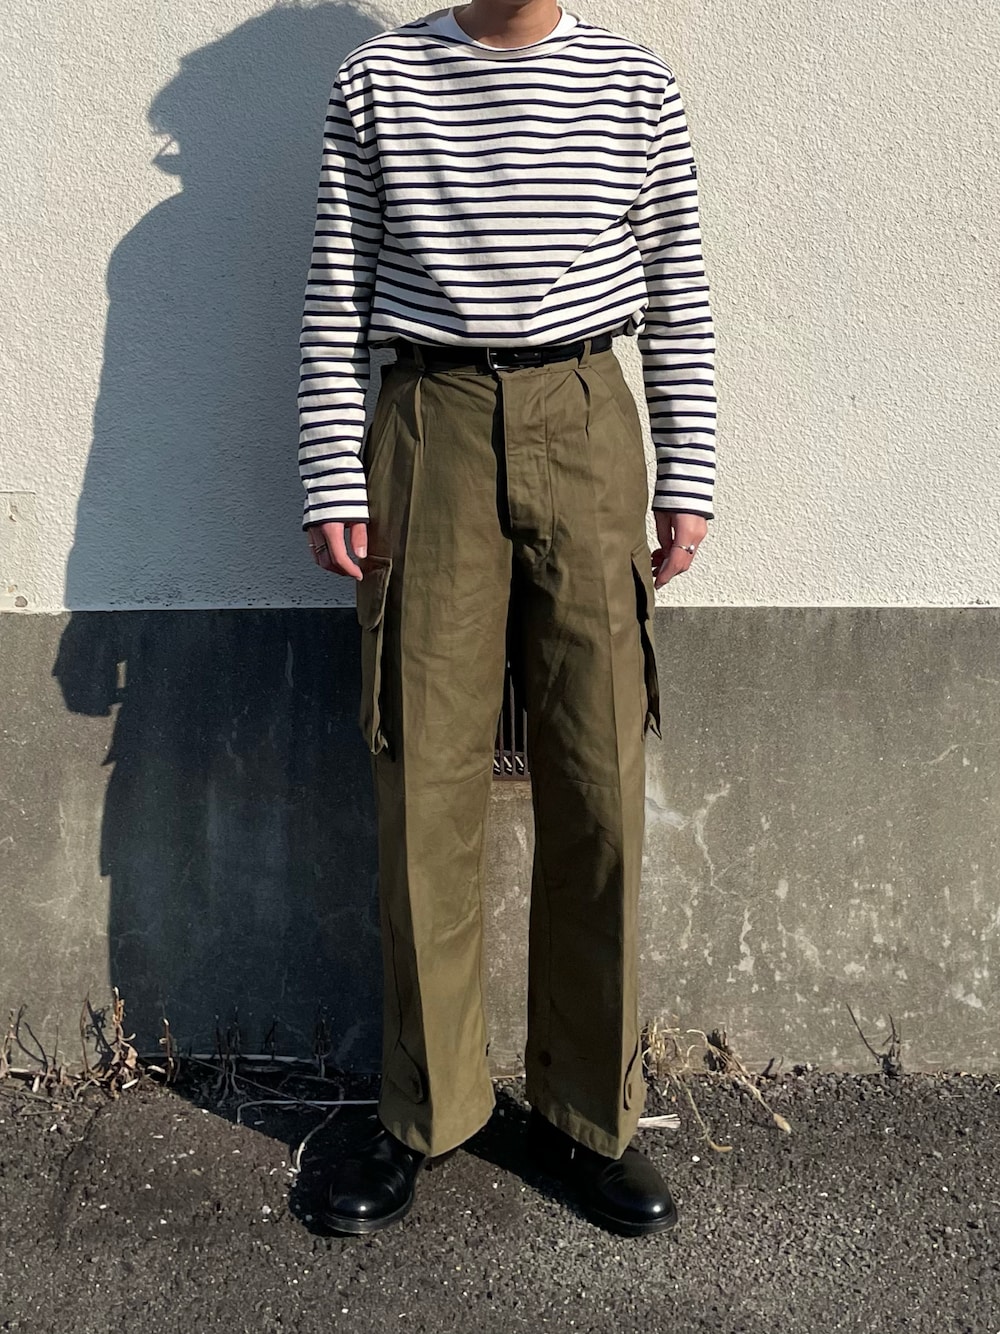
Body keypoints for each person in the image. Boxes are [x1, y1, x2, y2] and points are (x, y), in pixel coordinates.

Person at [297, 0, 716, 1236]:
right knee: (424, 778)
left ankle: (587, 1114)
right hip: (428, 420)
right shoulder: (378, 82)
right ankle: (425, 1108)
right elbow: (334, 292)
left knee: (597, 775)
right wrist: (331, 471)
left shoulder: (635, 85)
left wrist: (688, 473)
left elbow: (677, 290)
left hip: (586, 411)